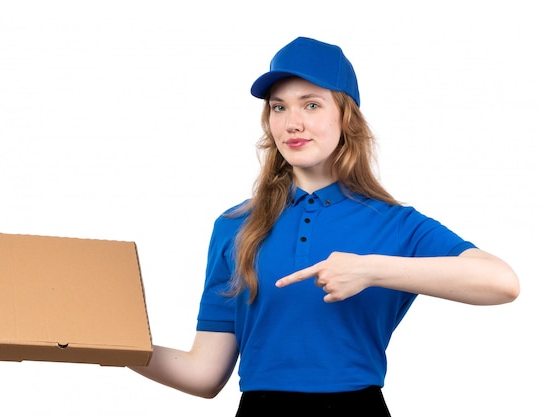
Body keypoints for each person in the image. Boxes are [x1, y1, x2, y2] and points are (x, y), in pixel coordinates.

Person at [129, 36, 520, 416]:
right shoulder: (236, 226)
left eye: (311, 105)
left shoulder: (395, 223)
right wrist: (109, 348)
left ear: (345, 117)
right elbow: (204, 374)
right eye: (278, 108)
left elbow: (501, 282)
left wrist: (370, 269)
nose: (292, 123)